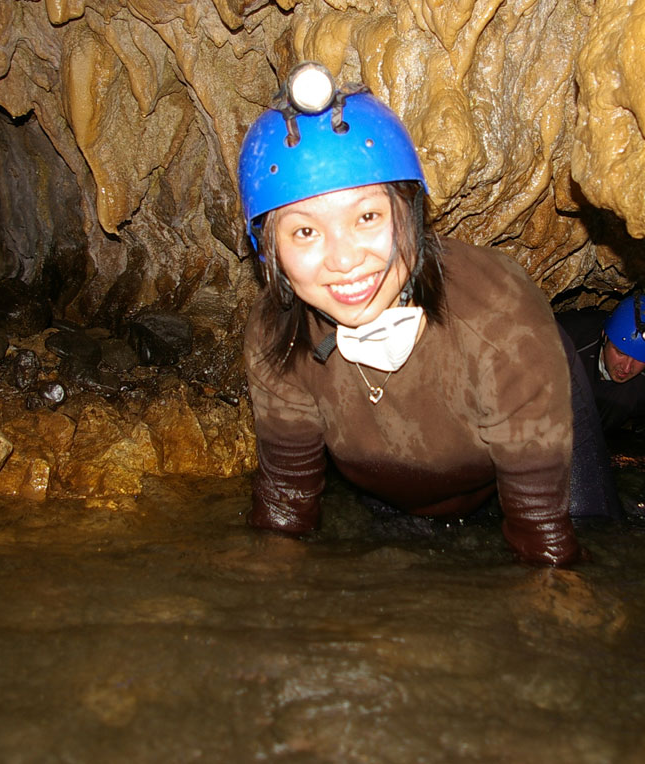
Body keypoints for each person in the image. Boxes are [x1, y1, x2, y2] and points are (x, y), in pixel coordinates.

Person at [237, 62, 621, 568]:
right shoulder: (277, 339)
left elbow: (542, 530)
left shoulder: (494, 313)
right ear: (271, 254)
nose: (344, 259)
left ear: (411, 217)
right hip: (397, 489)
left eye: (368, 217)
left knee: (581, 552)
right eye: (305, 232)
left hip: (533, 450)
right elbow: (285, 497)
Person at [555, 293, 645, 444]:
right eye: (620, 353)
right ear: (605, 336)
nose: (627, 367)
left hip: (597, 436)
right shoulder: (566, 340)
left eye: (641, 359)